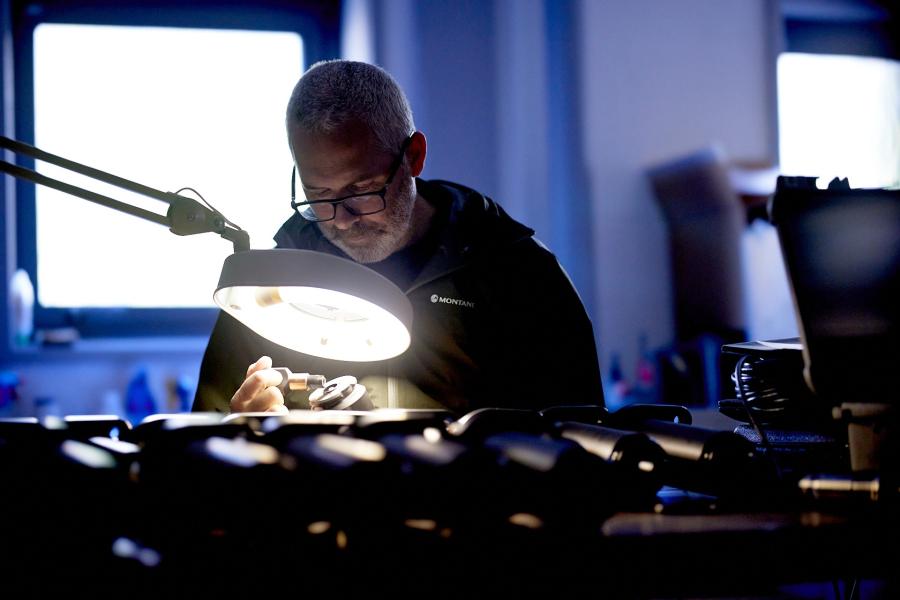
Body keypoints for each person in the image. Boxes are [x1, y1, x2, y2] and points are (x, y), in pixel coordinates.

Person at [192, 59, 603, 416]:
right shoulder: (270, 291)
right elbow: (201, 450)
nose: (342, 220)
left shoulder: (518, 276)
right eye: (319, 196)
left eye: (363, 189)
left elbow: (583, 447)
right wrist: (239, 425)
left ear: (414, 157)